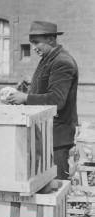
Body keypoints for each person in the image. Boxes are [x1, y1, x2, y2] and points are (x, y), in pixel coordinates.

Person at [6, 21, 79, 180]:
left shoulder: (62, 62)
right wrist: (28, 88)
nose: (34, 47)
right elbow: (47, 86)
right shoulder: (49, 59)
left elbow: (57, 100)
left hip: (57, 137)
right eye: (32, 43)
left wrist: (25, 98)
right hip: (46, 133)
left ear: (51, 40)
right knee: (45, 185)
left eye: (37, 42)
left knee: (57, 186)